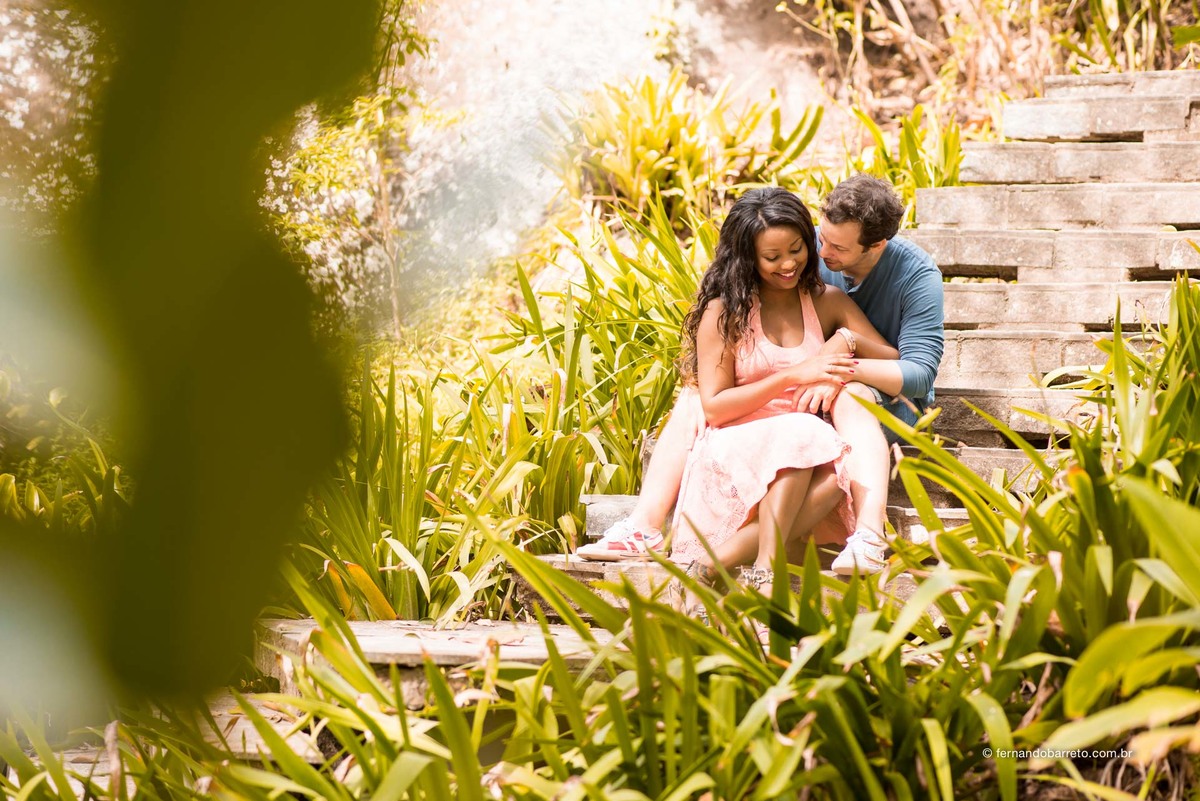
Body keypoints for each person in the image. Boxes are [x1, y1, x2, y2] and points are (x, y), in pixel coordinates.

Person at [577, 175, 945, 574]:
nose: (809, 258)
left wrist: (843, 343)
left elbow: (911, 368)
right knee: (696, 396)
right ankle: (647, 528)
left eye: (807, 249)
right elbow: (717, 405)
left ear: (874, 245)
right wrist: (799, 373)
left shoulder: (887, 283)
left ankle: (706, 567)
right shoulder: (730, 309)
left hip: (822, 430)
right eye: (817, 241)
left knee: (825, 458)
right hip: (754, 434)